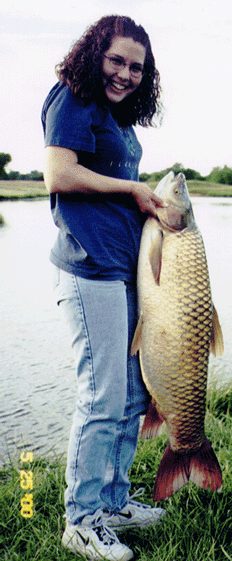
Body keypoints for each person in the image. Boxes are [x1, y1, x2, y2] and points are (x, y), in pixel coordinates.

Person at [42, 14, 166, 561]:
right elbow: (59, 175)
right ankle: (82, 519)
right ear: (95, 53)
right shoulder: (72, 98)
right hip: (88, 267)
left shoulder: (118, 119)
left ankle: (112, 502)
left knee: (132, 396)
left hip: (124, 270)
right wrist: (133, 188)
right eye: (117, 60)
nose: (125, 73)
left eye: (136, 67)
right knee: (101, 395)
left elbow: (121, 194)